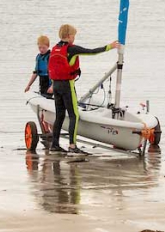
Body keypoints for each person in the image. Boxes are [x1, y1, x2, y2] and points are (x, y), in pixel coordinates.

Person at [47, 24, 120, 155]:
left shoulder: (55, 48)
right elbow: (92, 51)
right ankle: (72, 145)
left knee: (60, 115)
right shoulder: (72, 49)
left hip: (56, 85)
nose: (74, 38)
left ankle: (54, 145)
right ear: (69, 36)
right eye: (73, 35)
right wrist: (110, 46)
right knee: (74, 115)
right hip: (67, 86)